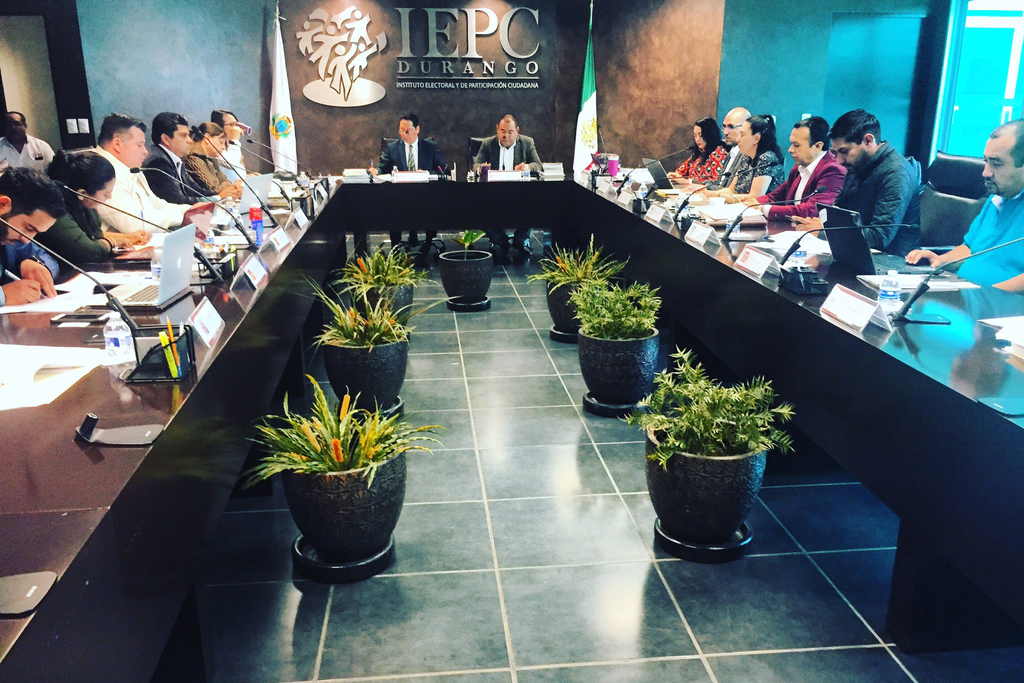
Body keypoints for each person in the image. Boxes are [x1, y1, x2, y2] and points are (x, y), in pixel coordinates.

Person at [906, 119, 1024, 291]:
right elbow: (970, 248)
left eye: (996, 164)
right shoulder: (996, 199)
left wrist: (990, 294)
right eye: (986, 161)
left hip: (999, 303)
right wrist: (940, 260)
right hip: (965, 293)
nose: (985, 172)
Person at [794, 109, 921, 256]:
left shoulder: (896, 172)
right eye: (835, 153)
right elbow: (839, 210)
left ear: (868, 141)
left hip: (891, 261)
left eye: (844, 151)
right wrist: (818, 223)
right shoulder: (858, 163)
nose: (839, 161)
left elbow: (879, 236)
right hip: (857, 253)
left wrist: (824, 231)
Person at [40, 150, 150, 266]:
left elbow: (95, 235)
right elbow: (89, 251)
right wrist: (112, 243)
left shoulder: (85, 206)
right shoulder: (56, 212)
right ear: (82, 194)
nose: (109, 197)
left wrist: (127, 237)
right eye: (106, 194)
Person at [94, 113, 190, 234]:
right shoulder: (100, 172)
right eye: (139, 145)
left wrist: (188, 210)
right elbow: (135, 225)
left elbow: (156, 204)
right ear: (117, 144)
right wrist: (181, 217)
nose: (145, 151)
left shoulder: (131, 168)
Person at [369, 112, 446, 256]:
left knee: (432, 203)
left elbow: (442, 169)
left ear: (417, 129)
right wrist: (376, 170)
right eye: (401, 130)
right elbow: (383, 167)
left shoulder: (429, 147)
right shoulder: (392, 147)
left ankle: (428, 243)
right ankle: (395, 246)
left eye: (407, 131)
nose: (403, 134)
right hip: (400, 195)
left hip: (424, 194)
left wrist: (426, 173)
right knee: (392, 205)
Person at [744, 116, 846, 219]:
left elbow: (811, 210)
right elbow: (777, 196)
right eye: (791, 144)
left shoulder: (832, 170)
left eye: (796, 145)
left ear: (817, 146)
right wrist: (755, 202)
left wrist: (762, 208)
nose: (790, 150)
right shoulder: (799, 166)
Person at [473, 114, 544, 255]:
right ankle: (500, 240)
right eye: (503, 131)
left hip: (520, 192)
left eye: (510, 132)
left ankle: (520, 240)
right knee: (477, 208)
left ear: (517, 131)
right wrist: (481, 168)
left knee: (535, 204)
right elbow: (475, 165)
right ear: (497, 129)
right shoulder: (487, 144)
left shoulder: (527, 143)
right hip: (493, 193)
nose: (506, 136)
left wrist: (526, 167)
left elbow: (538, 165)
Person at [0, 168, 64, 306]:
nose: (27, 239)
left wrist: (33, 264)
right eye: (28, 228)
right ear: (2, 205)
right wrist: (3, 295)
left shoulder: (13, 237)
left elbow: (46, 258)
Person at [709, 114, 785, 201]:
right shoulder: (746, 157)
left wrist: (718, 196)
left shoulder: (767, 159)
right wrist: (707, 193)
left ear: (756, 139)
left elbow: (754, 198)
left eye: (742, 135)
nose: (738, 139)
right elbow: (731, 190)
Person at [143, 112, 211, 204]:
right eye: (183, 135)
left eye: (188, 135)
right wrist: (217, 198)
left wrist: (223, 195)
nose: (190, 140)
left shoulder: (176, 158)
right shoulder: (157, 163)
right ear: (166, 139)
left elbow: (196, 191)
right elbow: (175, 200)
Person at [183, 123, 243, 200]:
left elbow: (224, 181)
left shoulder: (211, 159)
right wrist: (233, 186)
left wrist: (233, 187)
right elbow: (213, 189)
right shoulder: (193, 158)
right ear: (207, 138)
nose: (223, 147)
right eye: (221, 142)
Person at [668, 117, 729, 185]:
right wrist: (674, 176)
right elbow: (681, 171)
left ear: (710, 135)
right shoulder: (699, 152)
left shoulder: (718, 154)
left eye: (700, 135)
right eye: (695, 136)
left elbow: (716, 184)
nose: (697, 139)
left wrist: (688, 182)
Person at [701, 107, 750, 191]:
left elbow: (733, 191)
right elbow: (719, 184)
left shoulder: (748, 155)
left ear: (746, 128)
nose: (725, 132)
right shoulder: (730, 153)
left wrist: (703, 189)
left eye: (731, 127)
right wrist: (695, 185)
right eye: (724, 126)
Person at [211, 109, 248, 178]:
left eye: (236, 125)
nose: (236, 128)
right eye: (231, 124)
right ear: (219, 127)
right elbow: (232, 164)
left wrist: (246, 177)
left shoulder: (230, 145)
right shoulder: (214, 146)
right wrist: (235, 140)